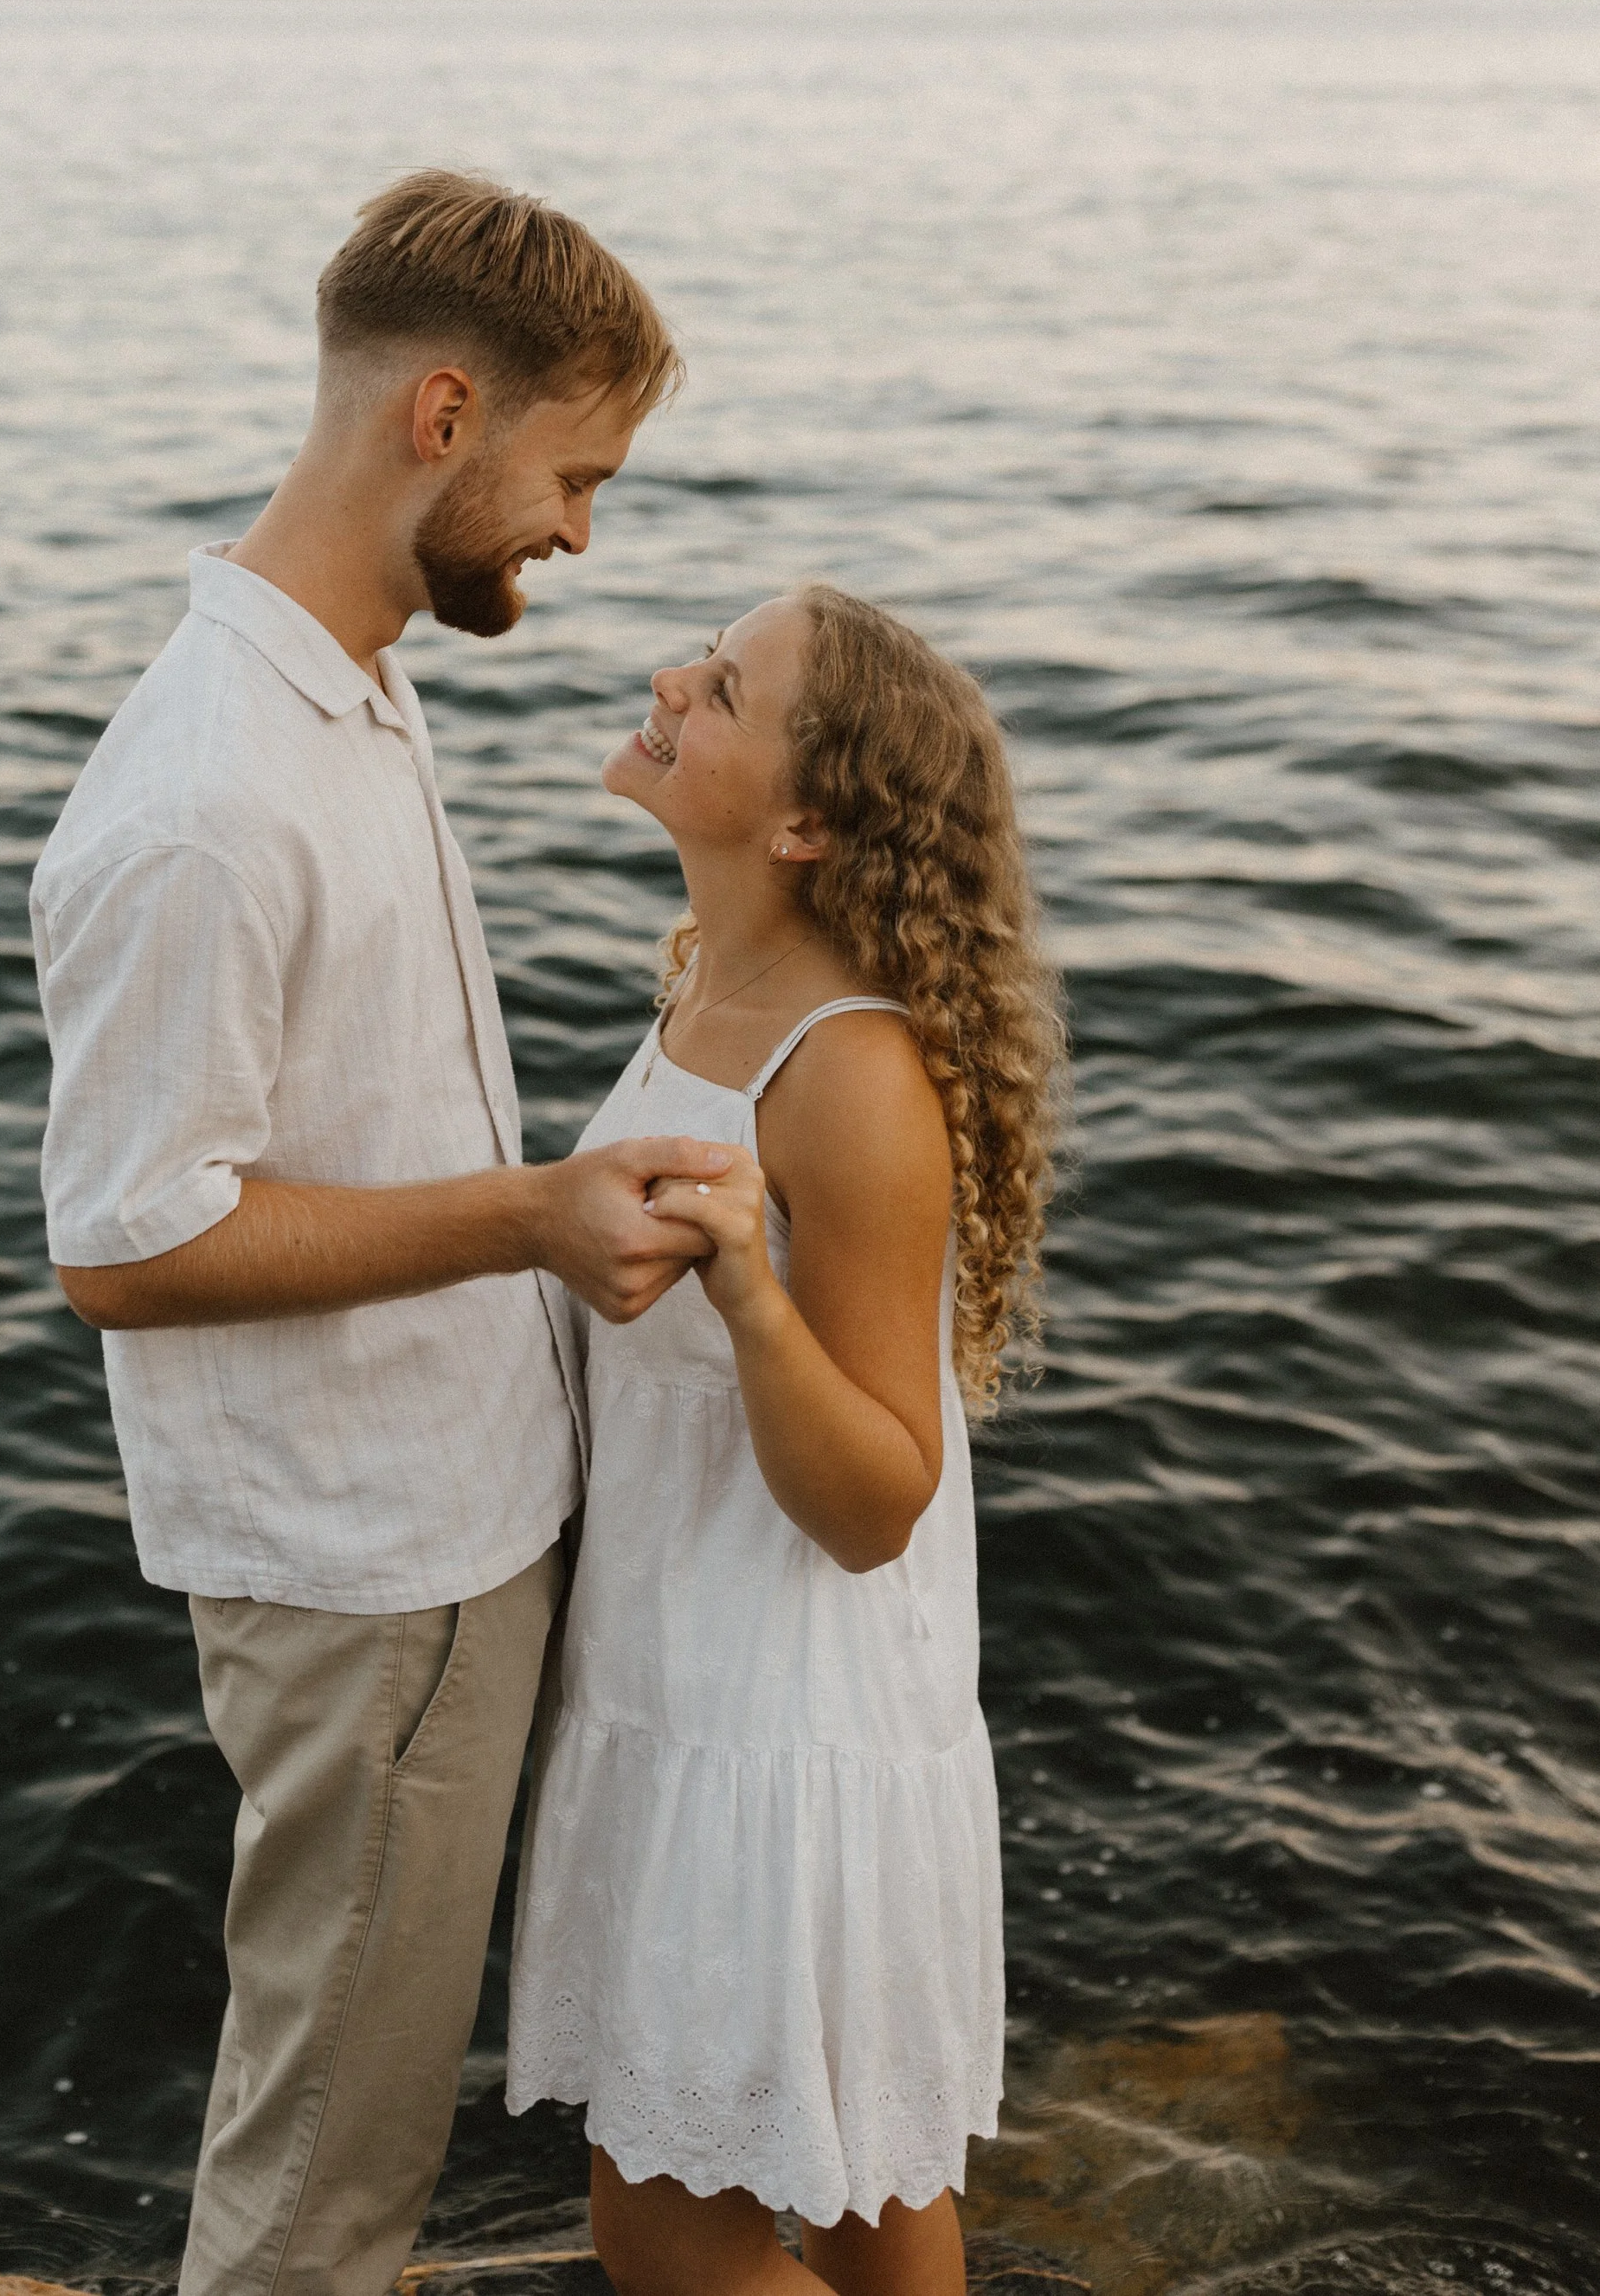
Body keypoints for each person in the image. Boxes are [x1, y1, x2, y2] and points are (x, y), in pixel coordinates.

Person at [29, 170, 732, 2296]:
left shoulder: (353, 684)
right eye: (572, 474)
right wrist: (530, 1215)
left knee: (357, 2105)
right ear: (445, 411)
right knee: (325, 2172)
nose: (580, 538)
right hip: (373, 1565)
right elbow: (128, 1248)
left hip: (439, 1526)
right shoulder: (204, 800)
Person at [505, 588, 1064, 2296]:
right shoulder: (708, 994)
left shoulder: (849, 1077)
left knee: (664, 2234)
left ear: (807, 821)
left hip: (780, 1720)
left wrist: (748, 1295)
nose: (670, 677)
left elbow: (880, 1497)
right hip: (687, 1685)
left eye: (723, 687)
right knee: (873, 2199)